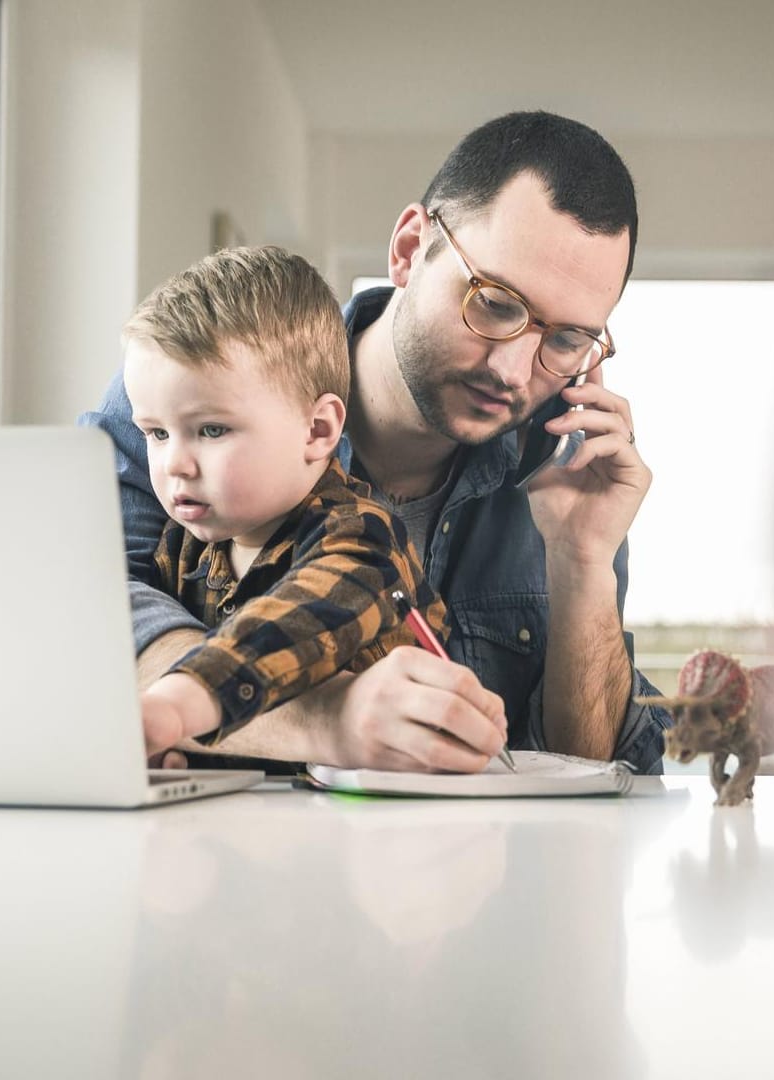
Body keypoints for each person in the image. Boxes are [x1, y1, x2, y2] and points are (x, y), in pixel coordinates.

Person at [83, 110, 672, 773]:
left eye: (565, 340)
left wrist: (583, 563)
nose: (512, 370)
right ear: (408, 248)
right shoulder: (194, 397)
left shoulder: (571, 475)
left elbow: (581, 773)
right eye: (496, 303)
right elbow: (87, 613)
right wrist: (325, 720)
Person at [119, 246, 478, 760]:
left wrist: (178, 705)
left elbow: (296, 622)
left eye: (211, 430)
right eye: (155, 433)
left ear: (317, 430)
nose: (175, 463)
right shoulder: (182, 548)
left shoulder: (362, 536)